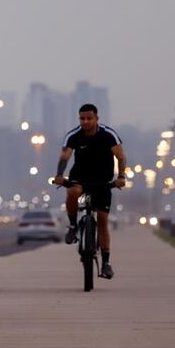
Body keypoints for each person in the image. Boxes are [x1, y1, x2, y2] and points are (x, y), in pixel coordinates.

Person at [54, 103, 126, 279]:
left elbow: (120, 156)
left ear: (96, 118)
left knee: (102, 220)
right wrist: (59, 175)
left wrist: (122, 177)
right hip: (80, 178)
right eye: (82, 118)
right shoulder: (74, 135)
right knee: (72, 192)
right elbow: (65, 156)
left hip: (103, 180)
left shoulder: (108, 135)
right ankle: (72, 226)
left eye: (89, 118)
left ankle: (106, 263)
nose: (85, 122)